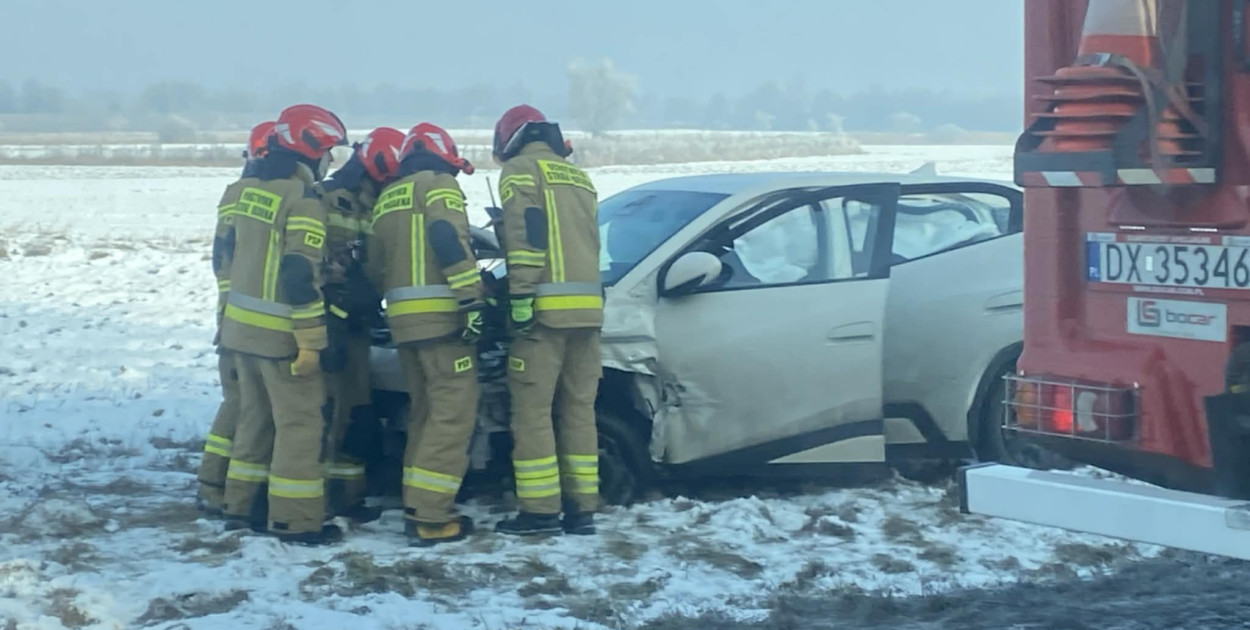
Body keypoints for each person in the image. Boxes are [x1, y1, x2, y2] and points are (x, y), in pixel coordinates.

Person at [219, 104, 348, 546]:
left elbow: (227, 257)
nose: (330, 162)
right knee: (299, 425)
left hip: (240, 331)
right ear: (310, 150)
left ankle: (239, 507)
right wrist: (311, 341)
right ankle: (296, 521)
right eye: (329, 152)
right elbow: (297, 273)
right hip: (281, 337)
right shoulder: (303, 200)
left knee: (255, 419)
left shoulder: (243, 190)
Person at [366, 122, 484, 547]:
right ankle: (432, 517)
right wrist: (471, 298)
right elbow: (446, 236)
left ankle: (416, 501)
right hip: (443, 322)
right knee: (453, 415)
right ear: (443, 157)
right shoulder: (439, 186)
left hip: (404, 325)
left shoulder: (389, 196)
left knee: (424, 414)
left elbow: (375, 265)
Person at [490, 105, 603, 536]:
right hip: (587, 311)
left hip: (544, 314)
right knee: (578, 411)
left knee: (533, 412)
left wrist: (519, 296)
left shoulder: (519, 170)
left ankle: (538, 512)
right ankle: (582, 509)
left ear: (509, 140)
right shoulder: (578, 176)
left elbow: (528, 233)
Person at [316, 127, 404, 522]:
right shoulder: (331, 200)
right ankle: (318, 500)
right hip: (329, 325)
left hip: (358, 326)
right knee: (328, 411)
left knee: (354, 410)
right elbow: (322, 265)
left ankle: (347, 498)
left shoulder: (373, 203)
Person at [196, 120, 275, 516]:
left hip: (234, 318)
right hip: (245, 321)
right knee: (244, 408)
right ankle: (220, 491)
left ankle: (219, 488)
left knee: (240, 405)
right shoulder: (251, 195)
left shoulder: (236, 194)